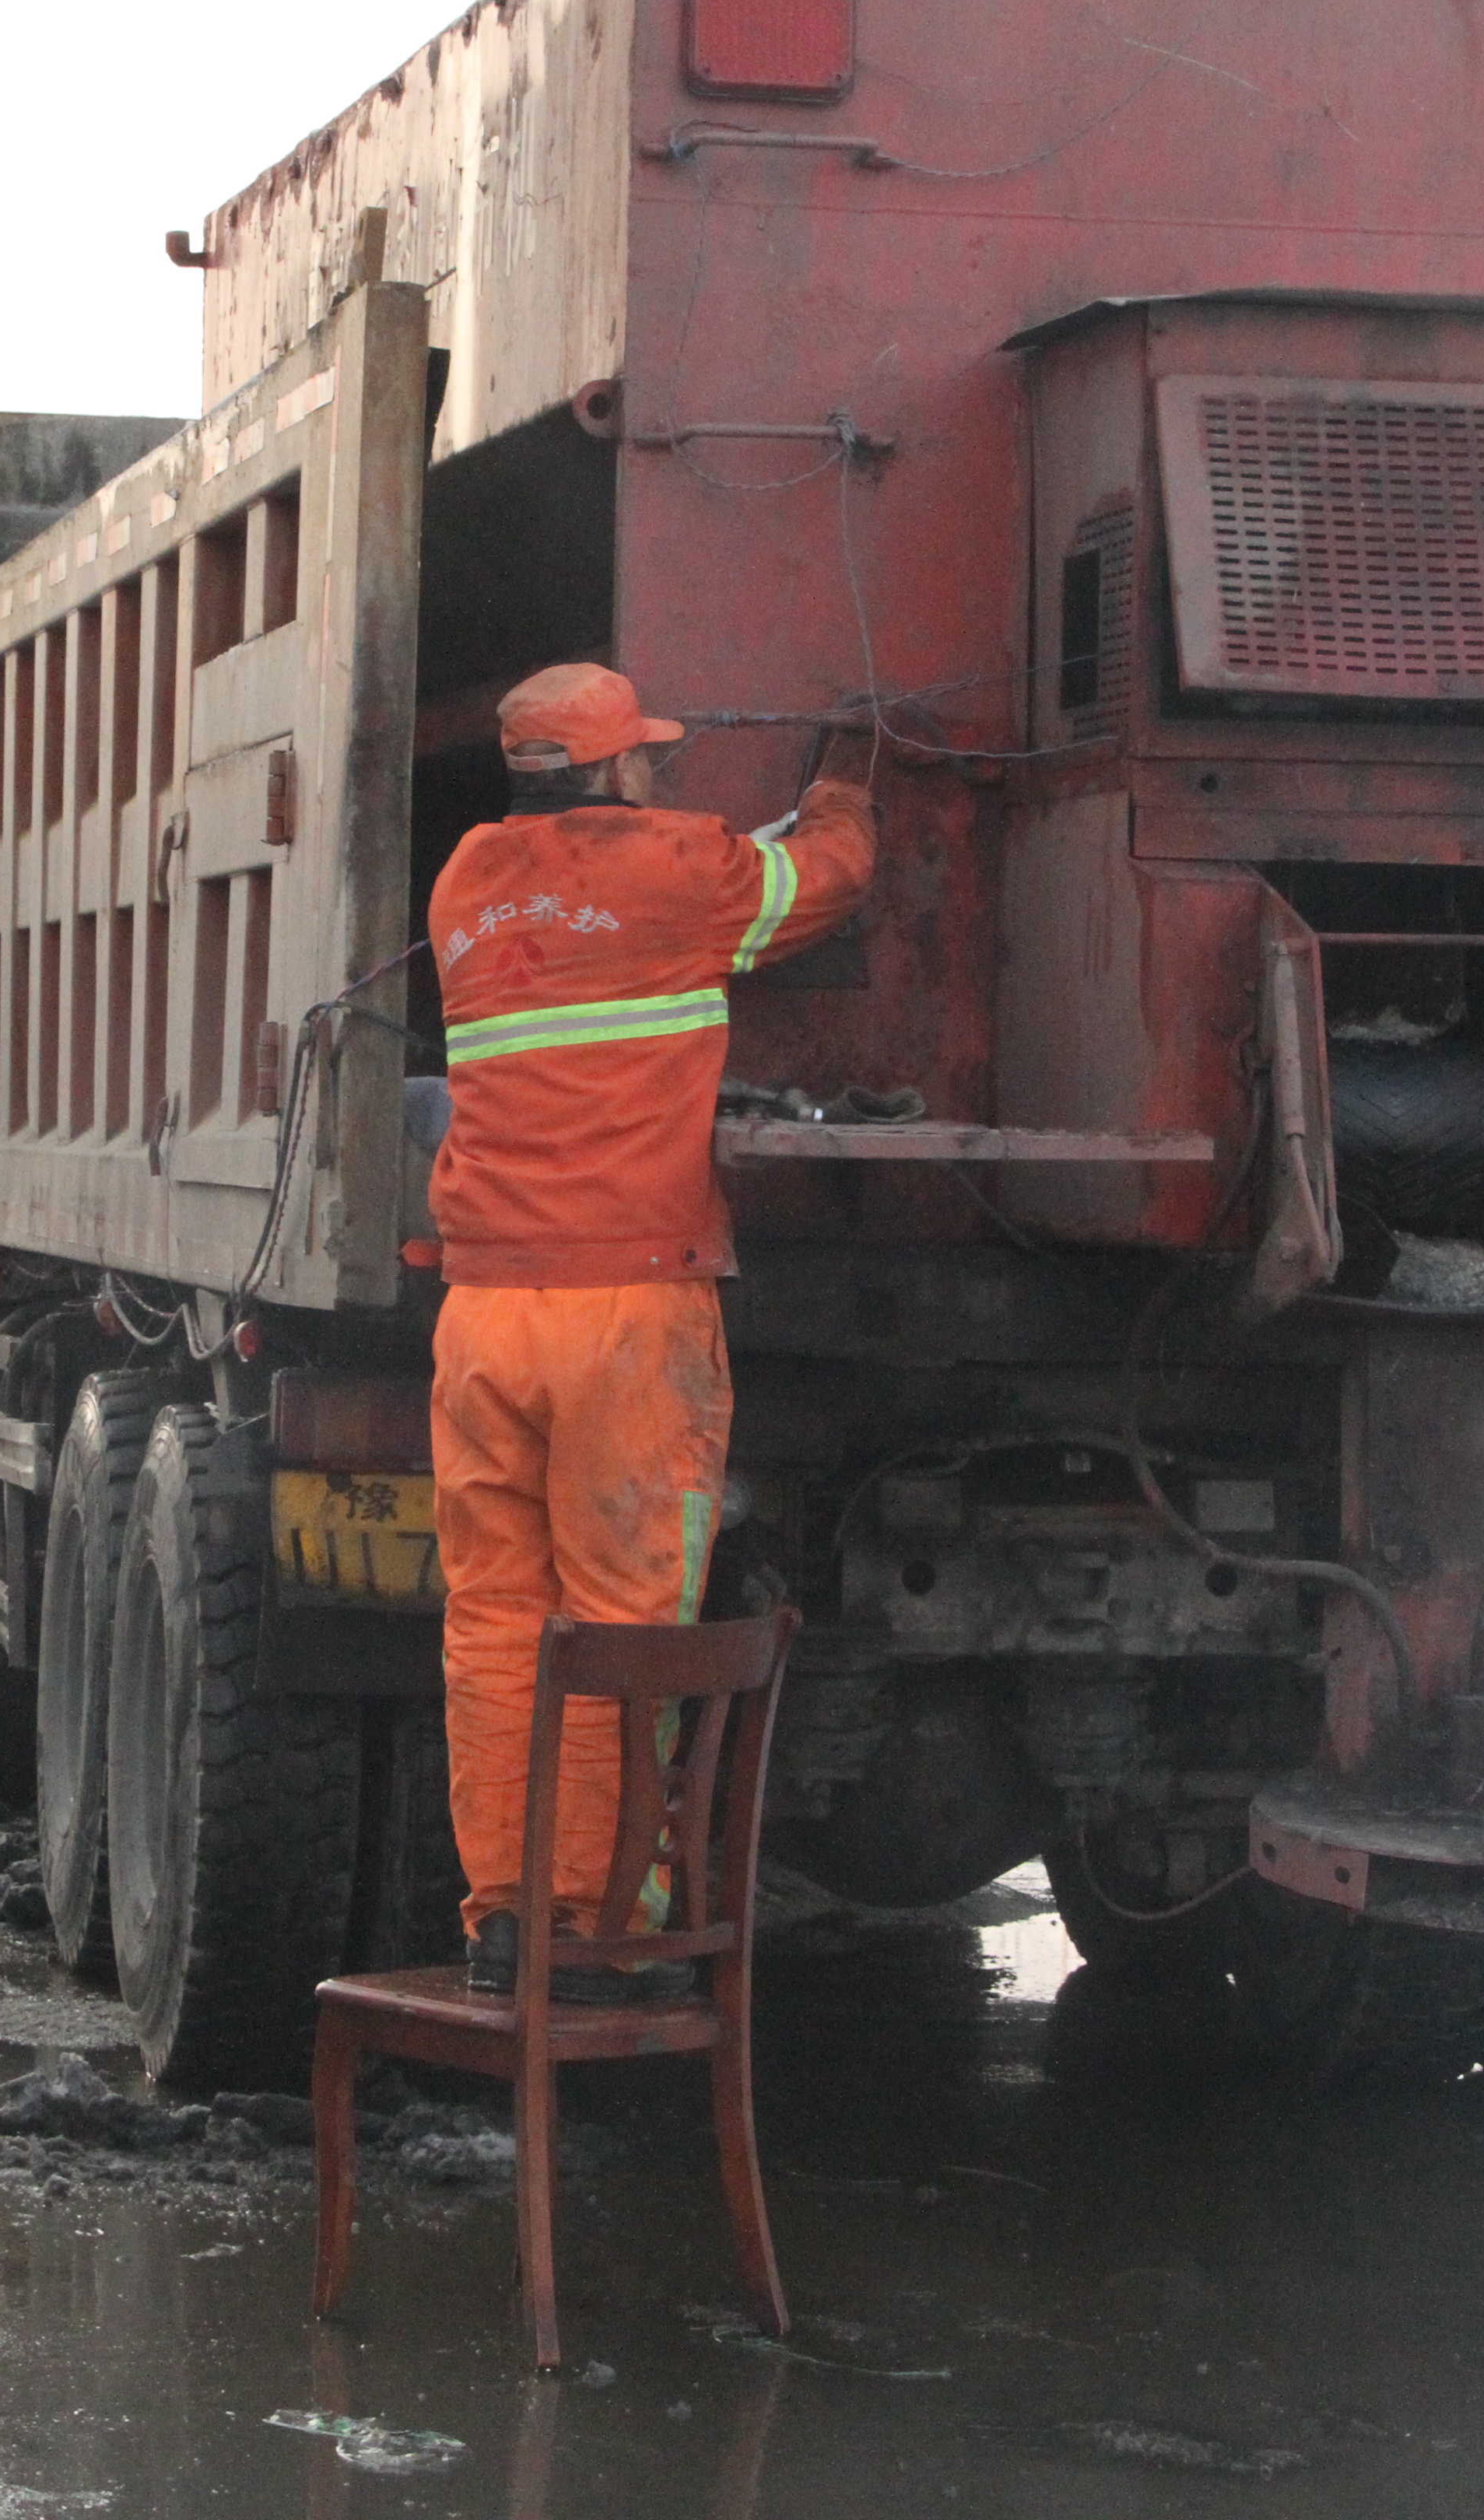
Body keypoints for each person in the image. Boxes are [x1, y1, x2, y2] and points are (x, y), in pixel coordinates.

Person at [424, 664, 875, 2002]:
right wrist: (843, 784)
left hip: (483, 1313)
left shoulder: (462, 883)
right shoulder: (679, 872)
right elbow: (824, 880)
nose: (663, 777)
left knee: (496, 1624)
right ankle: (608, 1923)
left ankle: (507, 1919)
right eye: (650, 761)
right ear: (613, 772)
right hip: (624, 1312)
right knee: (624, 1627)